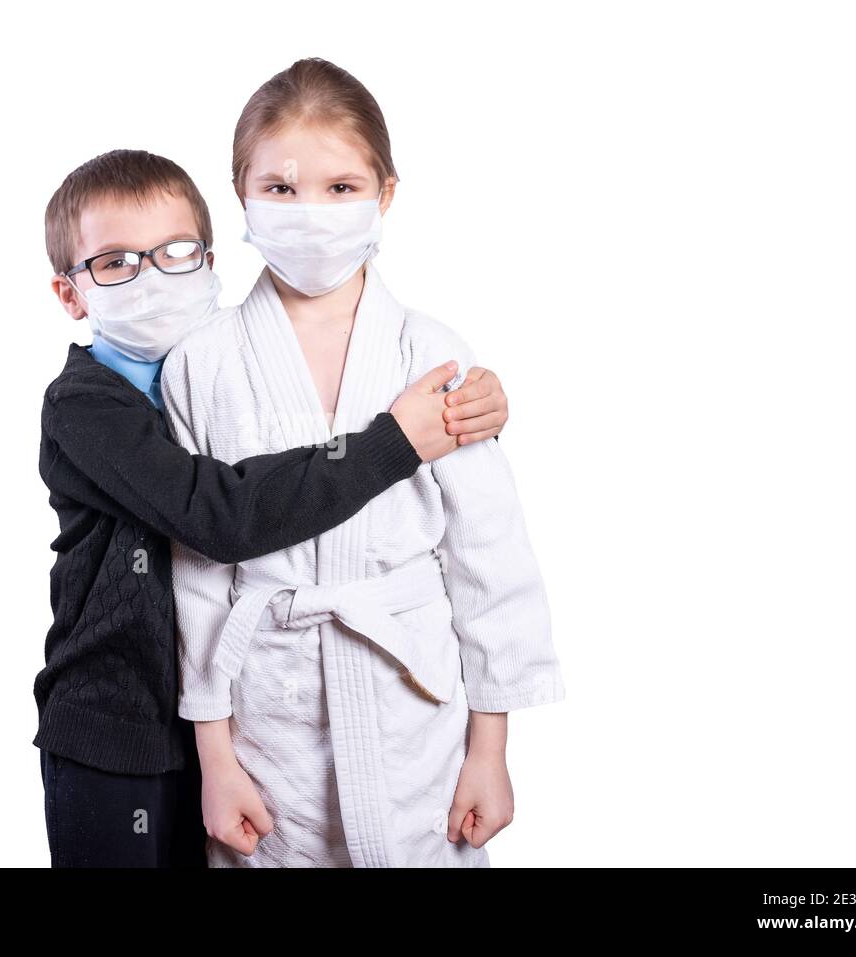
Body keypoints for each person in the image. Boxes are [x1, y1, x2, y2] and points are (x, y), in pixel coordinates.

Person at [35, 148, 511, 866]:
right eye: (114, 263)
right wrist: (394, 443)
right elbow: (221, 515)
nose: (152, 279)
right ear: (71, 293)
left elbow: (316, 426)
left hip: (231, 719)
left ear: (209, 258)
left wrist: (472, 409)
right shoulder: (82, 406)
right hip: (118, 732)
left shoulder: (222, 364)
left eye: (175, 252)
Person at [164, 59, 566, 867]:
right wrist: (214, 757)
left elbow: (488, 562)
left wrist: (490, 749)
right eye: (279, 188)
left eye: (341, 188)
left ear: (385, 194)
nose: (310, 210)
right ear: (240, 193)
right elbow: (197, 576)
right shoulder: (201, 364)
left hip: (415, 722)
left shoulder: (433, 354)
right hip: (267, 725)